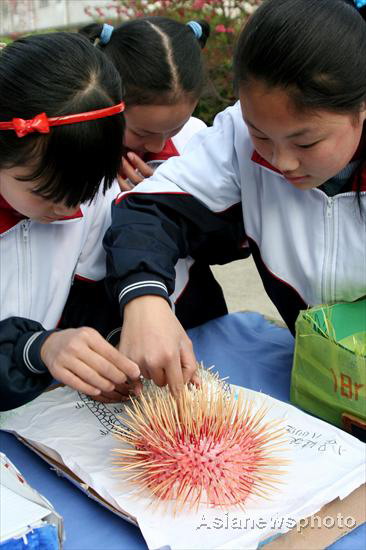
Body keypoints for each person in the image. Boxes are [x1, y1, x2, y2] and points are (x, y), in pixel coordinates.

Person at [104, 0, 366, 395]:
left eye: (306, 141)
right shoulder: (236, 140)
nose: (282, 162)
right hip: (319, 377)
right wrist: (143, 297)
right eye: (260, 133)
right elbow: (149, 210)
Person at [0, 32, 140, 411]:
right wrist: (36, 347)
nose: (66, 210)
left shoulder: (92, 198)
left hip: (40, 412)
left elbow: (89, 294)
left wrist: (116, 343)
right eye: (46, 192)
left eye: (83, 192)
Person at [79, 17, 248, 329]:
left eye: (175, 127)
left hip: (193, 312)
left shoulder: (197, 141)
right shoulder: (77, 166)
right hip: (109, 322)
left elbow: (225, 243)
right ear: (105, 101)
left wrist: (167, 205)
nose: (158, 143)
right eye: (141, 132)